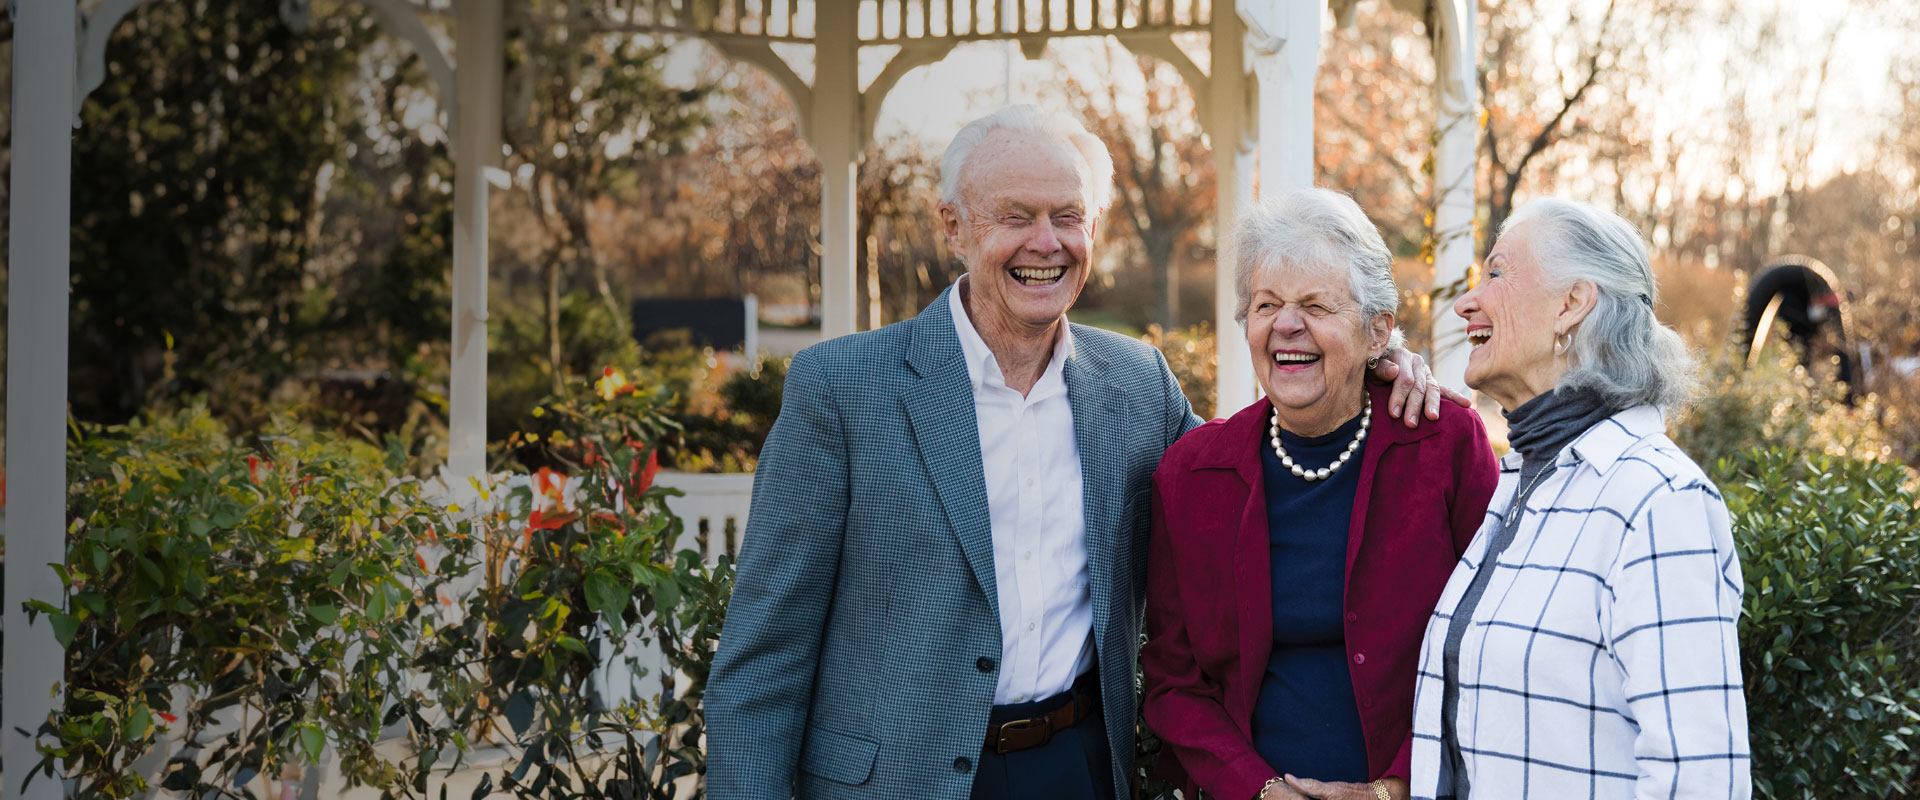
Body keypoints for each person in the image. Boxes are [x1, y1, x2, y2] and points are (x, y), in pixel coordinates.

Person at [706, 106, 1461, 800]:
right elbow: (761, 660)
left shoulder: (1138, 384)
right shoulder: (842, 390)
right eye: (1017, 217)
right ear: (953, 228)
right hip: (895, 778)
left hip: (1077, 769)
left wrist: (1381, 359)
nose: (1047, 243)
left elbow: (1254, 461)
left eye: (1068, 217)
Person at [1140, 189, 1499, 800]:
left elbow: (1494, 643)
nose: (1285, 324)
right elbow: (1174, 681)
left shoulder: (1445, 446)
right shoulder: (1191, 475)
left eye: (1315, 305)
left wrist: (1393, 789)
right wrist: (1259, 790)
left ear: (1376, 331)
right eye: (1266, 304)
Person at [1409, 198, 1751, 799]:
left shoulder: (1657, 502)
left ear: (1572, 304)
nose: (1466, 302)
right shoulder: (1522, 481)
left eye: (1496, 273)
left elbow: (1701, 781)